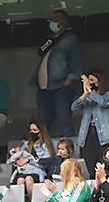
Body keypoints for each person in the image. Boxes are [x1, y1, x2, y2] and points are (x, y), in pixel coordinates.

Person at [32, 9, 83, 137]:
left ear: (64, 22)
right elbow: (40, 53)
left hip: (61, 87)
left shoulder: (71, 39)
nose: (52, 23)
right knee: (42, 124)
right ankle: (43, 152)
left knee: (64, 121)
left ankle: (70, 152)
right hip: (43, 88)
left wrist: (70, 79)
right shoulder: (50, 40)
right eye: (52, 20)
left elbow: (77, 59)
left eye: (56, 20)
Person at [71, 70, 109, 171]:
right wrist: (85, 94)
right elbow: (74, 108)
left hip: (105, 137)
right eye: (87, 81)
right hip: (88, 136)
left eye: (92, 80)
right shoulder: (88, 99)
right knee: (91, 167)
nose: (89, 83)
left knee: (105, 167)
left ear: (99, 82)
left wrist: (90, 91)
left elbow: (102, 102)